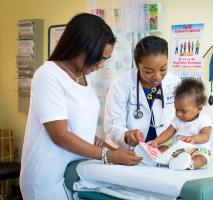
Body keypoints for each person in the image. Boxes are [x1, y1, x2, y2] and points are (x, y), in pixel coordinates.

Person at [20, 13, 142, 200]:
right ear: (79, 47)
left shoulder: (82, 77)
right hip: (46, 177)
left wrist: (115, 152)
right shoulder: (47, 75)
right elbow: (60, 134)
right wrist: (108, 157)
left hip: (75, 173)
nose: (101, 65)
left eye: (105, 59)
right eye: (98, 58)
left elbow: (81, 132)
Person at [104, 36, 181, 148]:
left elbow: (182, 118)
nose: (157, 77)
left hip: (164, 148)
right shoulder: (121, 84)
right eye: (148, 71)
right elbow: (113, 126)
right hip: (129, 150)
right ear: (137, 66)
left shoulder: (175, 82)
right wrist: (126, 135)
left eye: (163, 69)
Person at [147, 78, 213, 169]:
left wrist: (194, 138)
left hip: (198, 149)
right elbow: (168, 132)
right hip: (178, 149)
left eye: (183, 111)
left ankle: (189, 163)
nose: (178, 114)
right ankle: (155, 159)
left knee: (202, 159)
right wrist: (156, 141)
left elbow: (205, 136)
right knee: (162, 148)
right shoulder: (177, 119)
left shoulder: (204, 119)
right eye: (176, 109)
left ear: (199, 108)